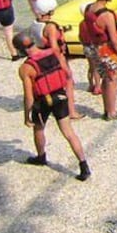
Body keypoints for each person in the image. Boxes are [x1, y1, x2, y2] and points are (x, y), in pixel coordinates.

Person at [15, 32, 91, 181]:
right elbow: (67, 73)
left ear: (19, 49)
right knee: (69, 132)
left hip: (43, 100)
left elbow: (28, 95)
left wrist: (26, 116)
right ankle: (83, 165)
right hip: (60, 96)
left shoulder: (26, 68)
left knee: (39, 128)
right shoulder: (54, 53)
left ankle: (41, 156)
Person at [31, 0, 81, 120]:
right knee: (68, 81)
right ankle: (71, 111)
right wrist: (63, 65)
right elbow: (55, 47)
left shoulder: (36, 23)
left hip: (42, 56)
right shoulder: (50, 27)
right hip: (55, 58)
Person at [83, 0, 117, 121]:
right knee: (112, 80)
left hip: (95, 48)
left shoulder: (89, 9)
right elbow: (114, 39)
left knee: (105, 79)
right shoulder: (107, 15)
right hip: (107, 50)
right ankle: (112, 112)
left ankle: (106, 110)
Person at [78, 2, 101, 94]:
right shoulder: (92, 23)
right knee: (96, 67)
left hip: (86, 47)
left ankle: (91, 85)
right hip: (93, 46)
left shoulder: (81, 24)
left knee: (91, 67)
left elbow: (80, 36)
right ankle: (98, 87)